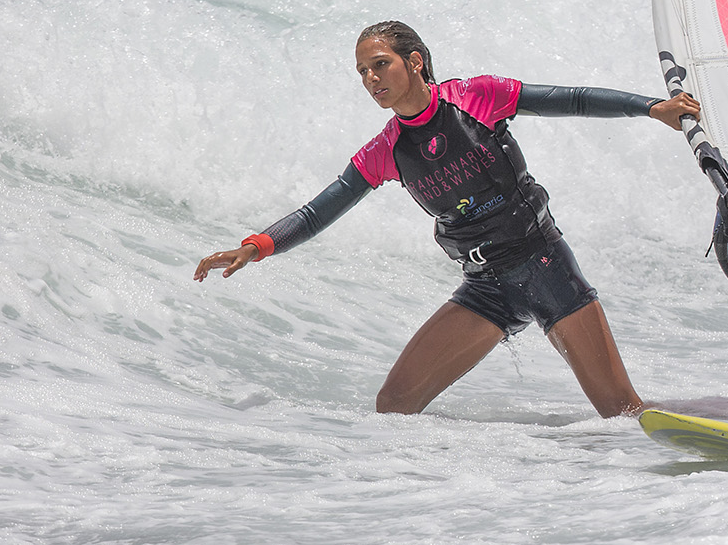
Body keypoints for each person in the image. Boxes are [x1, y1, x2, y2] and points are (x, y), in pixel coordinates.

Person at [194, 21, 700, 419]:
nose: (371, 80)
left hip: (542, 264)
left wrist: (651, 108)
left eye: (380, 65)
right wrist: (257, 245)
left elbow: (573, 99)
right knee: (394, 405)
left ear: (414, 62)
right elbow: (320, 209)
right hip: (485, 288)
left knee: (622, 412)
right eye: (363, 72)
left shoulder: (477, 97)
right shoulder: (386, 151)